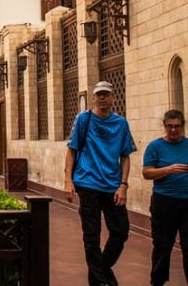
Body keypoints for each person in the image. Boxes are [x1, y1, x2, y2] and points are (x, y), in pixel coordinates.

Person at [64, 81, 137, 286]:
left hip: (113, 186)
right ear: (94, 98)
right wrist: (68, 180)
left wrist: (123, 185)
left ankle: (102, 269)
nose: (103, 98)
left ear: (113, 97)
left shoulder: (121, 123)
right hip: (87, 184)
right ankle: (98, 281)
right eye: (99, 95)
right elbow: (71, 150)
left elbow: (125, 156)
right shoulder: (83, 119)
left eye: (106, 94)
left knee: (121, 231)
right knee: (92, 236)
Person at [143, 110, 188, 286]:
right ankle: (157, 281)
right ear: (164, 126)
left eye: (177, 126)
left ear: (182, 126)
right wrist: (168, 170)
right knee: (162, 245)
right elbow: (147, 173)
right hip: (164, 202)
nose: (173, 130)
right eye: (170, 126)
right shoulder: (155, 147)